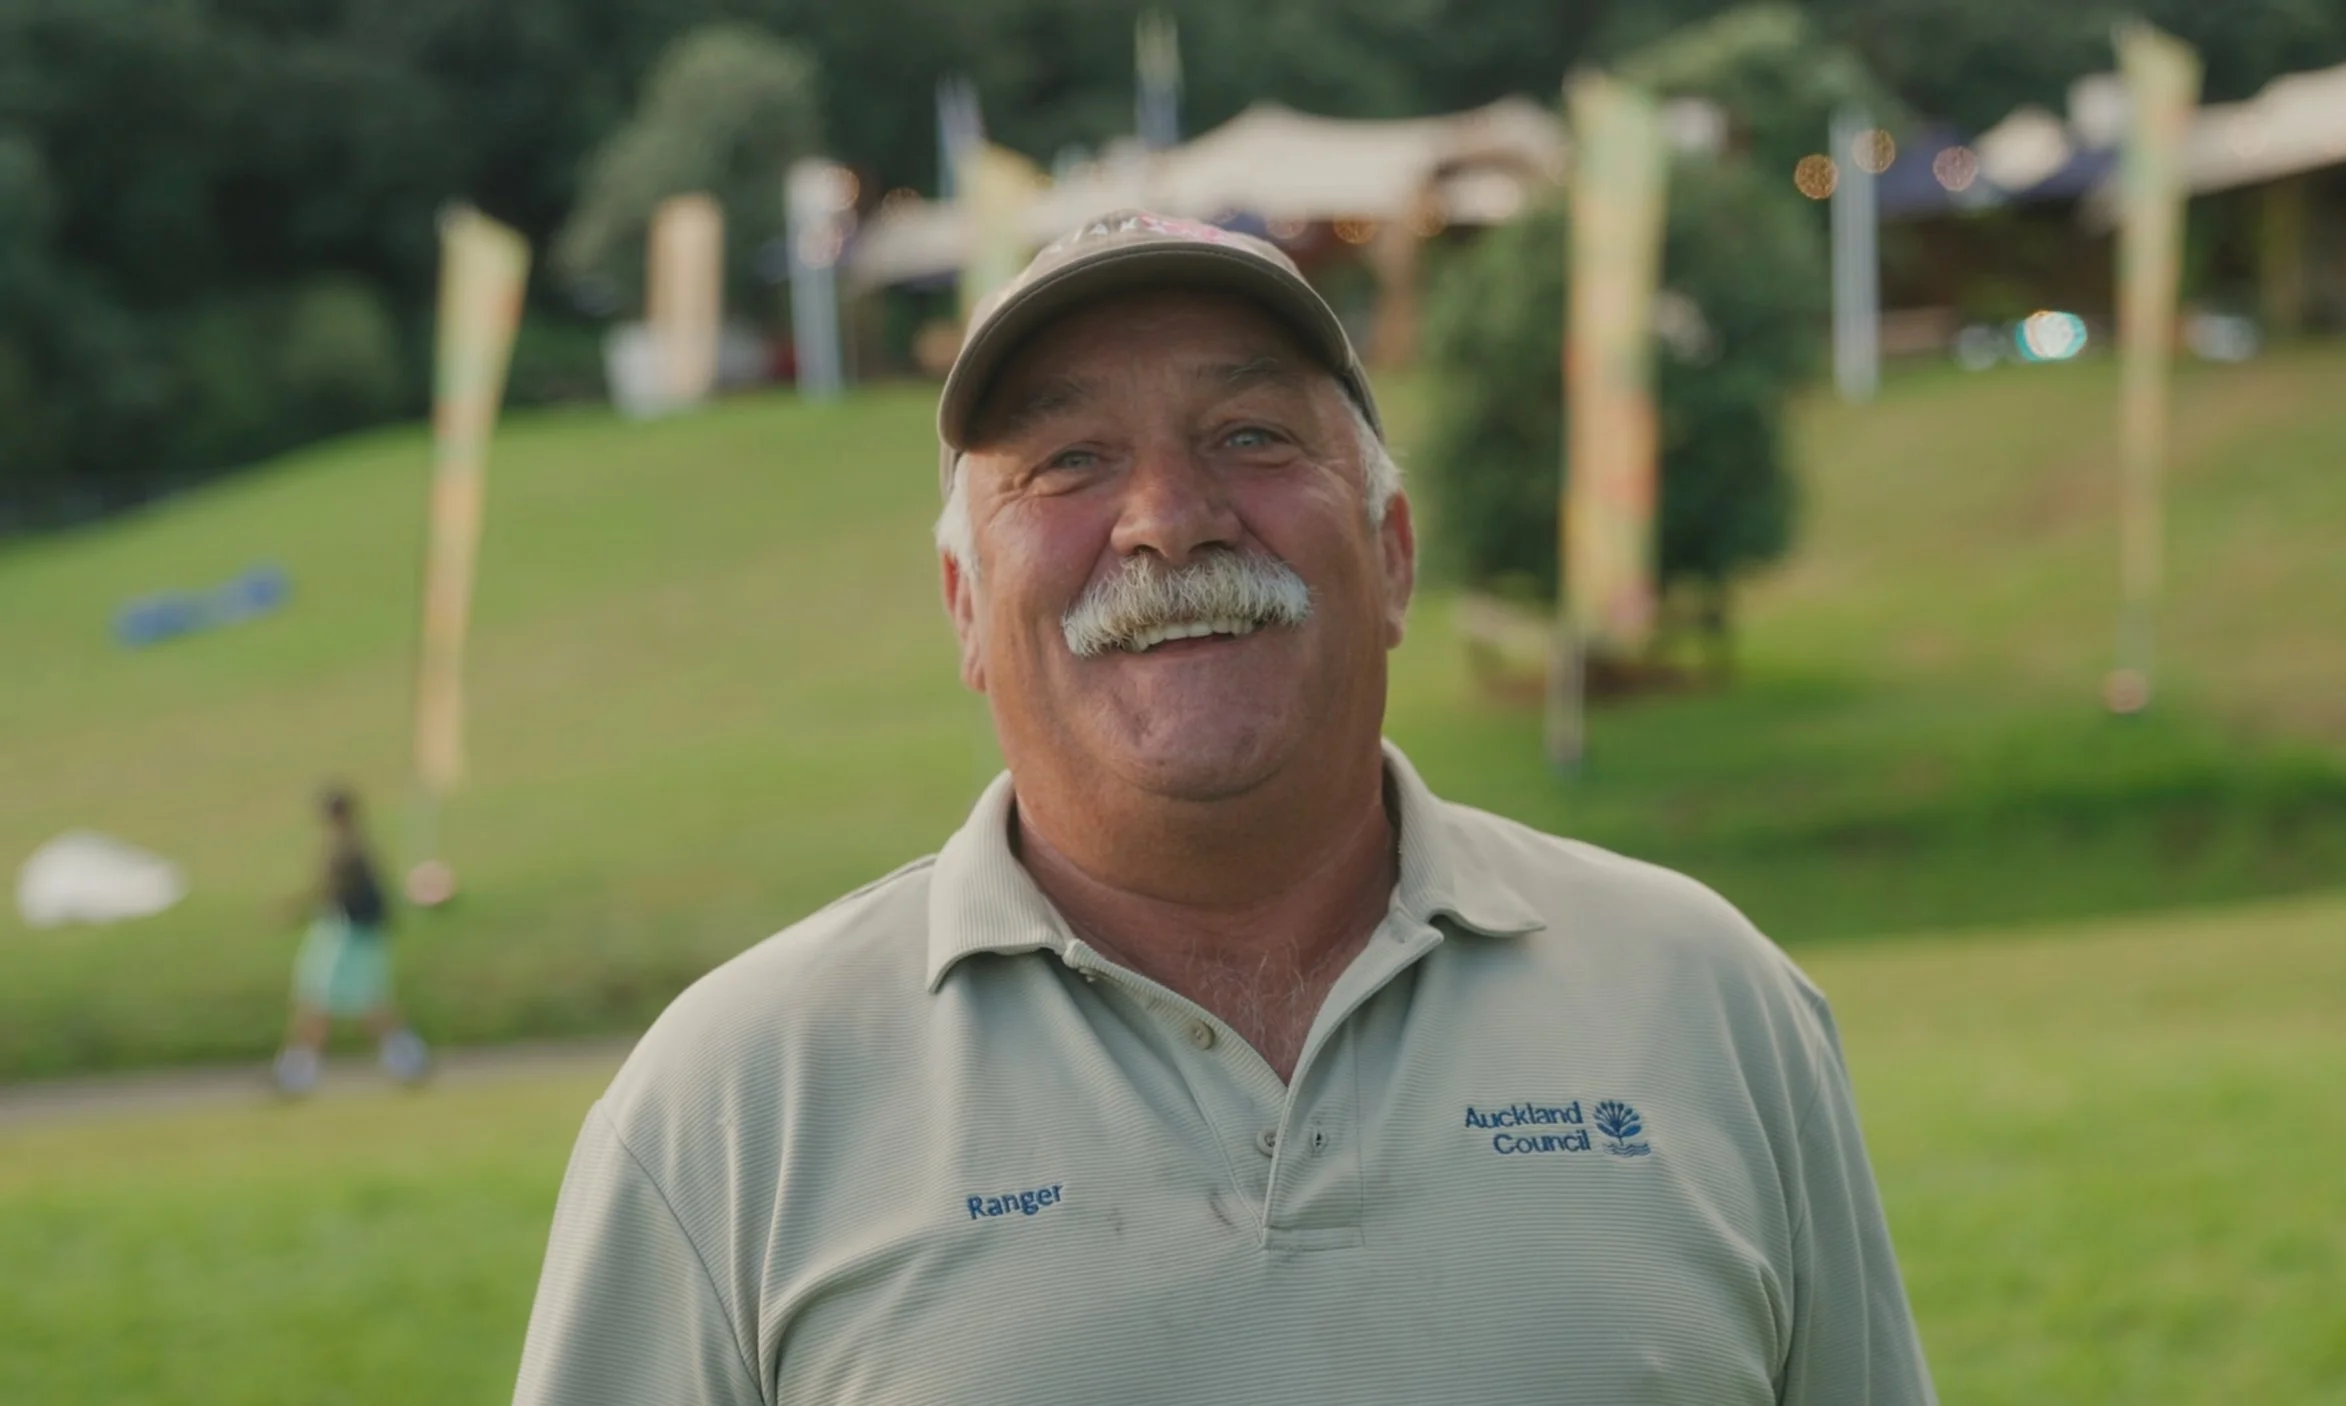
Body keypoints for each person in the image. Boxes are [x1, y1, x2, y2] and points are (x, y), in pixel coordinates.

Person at [515, 211, 1935, 1404]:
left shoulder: (1712, 1000)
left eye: (1251, 435)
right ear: (964, 607)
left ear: (1390, 555)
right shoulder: (733, 1101)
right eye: (1068, 461)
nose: (1167, 516)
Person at [272, 786, 429, 1095]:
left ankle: (296, 1074)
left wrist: (294, 909)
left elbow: (329, 890)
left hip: (349, 933)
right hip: (351, 933)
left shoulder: (348, 850)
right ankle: (409, 1060)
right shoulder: (354, 846)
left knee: (325, 1000)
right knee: (358, 1001)